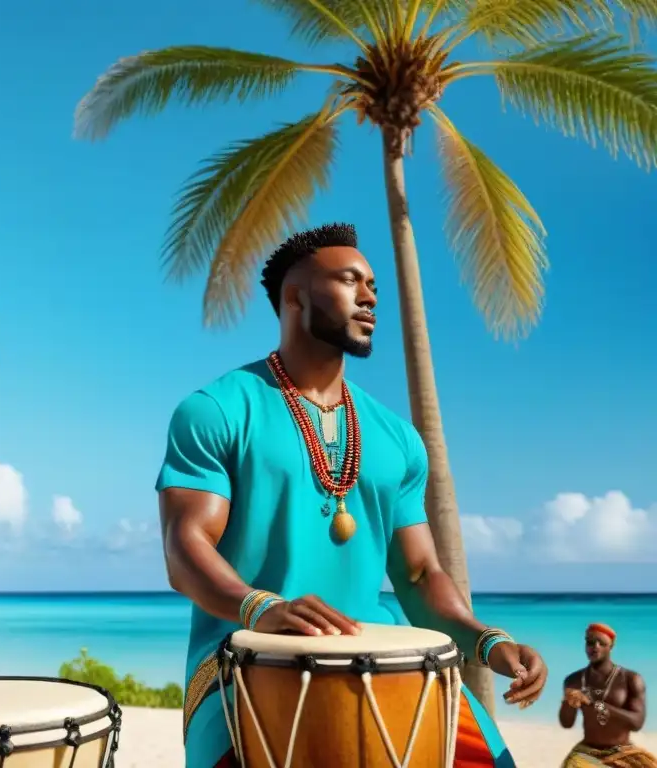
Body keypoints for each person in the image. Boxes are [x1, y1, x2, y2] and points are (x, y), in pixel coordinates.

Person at [155, 223, 548, 768]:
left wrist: (486, 640)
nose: (370, 297)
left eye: (374, 286)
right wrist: (261, 607)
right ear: (295, 296)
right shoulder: (216, 410)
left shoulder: (398, 439)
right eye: (349, 280)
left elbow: (417, 575)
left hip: (388, 658)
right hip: (241, 663)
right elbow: (184, 546)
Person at [560, 623, 653, 767]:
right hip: (588, 751)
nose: (595, 646)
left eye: (602, 643)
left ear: (611, 646)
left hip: (624, 752)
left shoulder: (631, 679)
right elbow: (567, 723)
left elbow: (637, 723)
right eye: (590, 642)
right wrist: (568, 702)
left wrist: (599, 706)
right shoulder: (574, 680)